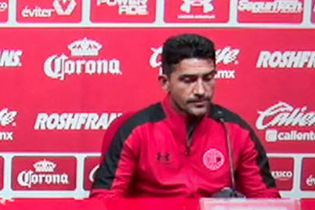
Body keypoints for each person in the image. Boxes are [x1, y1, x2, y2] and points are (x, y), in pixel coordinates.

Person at [91, 33, 279, 198]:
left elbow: (267, 201)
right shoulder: (136, 131)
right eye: (188, 80)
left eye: (208, 78)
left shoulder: (236, 132)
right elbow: (104, 200)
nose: (200, 91)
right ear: (165, 83)